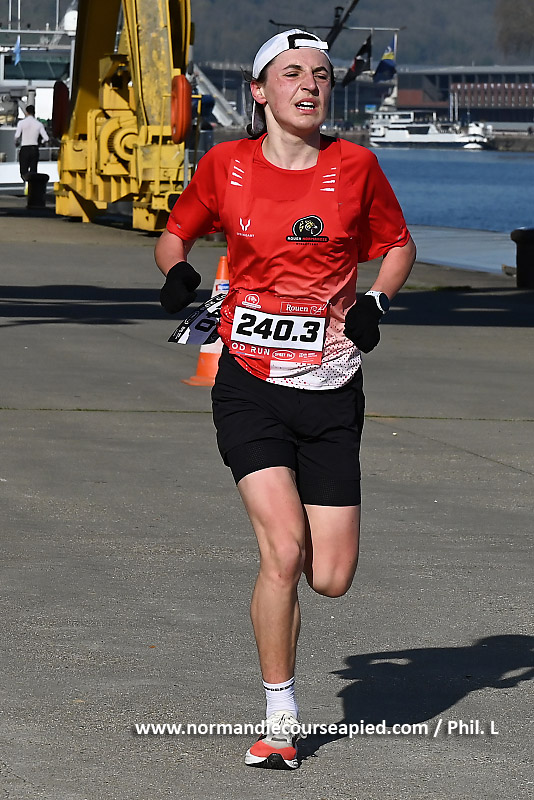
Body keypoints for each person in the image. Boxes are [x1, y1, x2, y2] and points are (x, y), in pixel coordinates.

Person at [154, 29, 416, 770]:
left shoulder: (356, 167)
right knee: (284, 551)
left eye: (322, 75)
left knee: (328, 577)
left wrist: (376, 303)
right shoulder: (225, 165)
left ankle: (290, 585)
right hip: (249, 384)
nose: (310, 85)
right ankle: (280, 717)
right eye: (292, 73)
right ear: (260, 92)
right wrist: (176, 274)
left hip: (331, 387)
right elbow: (175, 236)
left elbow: (398, 246)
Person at [14, 104, 49, 180]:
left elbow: (17, 136)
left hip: (24, 148)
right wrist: (41, 142)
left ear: (26, 112)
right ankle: (32, 185)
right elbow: (46, 138)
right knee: (33, 171)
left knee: (23, 171)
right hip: (34, 148)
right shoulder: (39, 124)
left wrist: (16, 143)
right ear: (34, 112)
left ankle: (25, 182)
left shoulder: (21, 123)